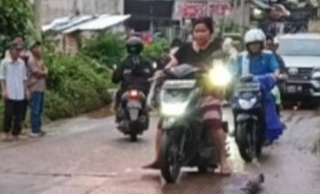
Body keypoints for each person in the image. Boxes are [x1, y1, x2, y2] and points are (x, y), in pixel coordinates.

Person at [144, 17, 231, 175]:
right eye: (196, 31)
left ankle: (223, 160)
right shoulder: (184, 49)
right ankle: (159, 158)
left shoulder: (216, 49)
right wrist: (162, 71)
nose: (199, 34)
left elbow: (222, 65)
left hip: (207, 93)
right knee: (163, 121)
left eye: (203, 30)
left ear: (210, 32)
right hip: (184, 94)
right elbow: (172, 64)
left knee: (212, 119)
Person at [234, 28, 283, 143]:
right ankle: (236, 126)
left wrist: (276, 75)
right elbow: (233, 71)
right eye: (252, 44)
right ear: (247, 45)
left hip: (263, 88)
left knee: (272, 97)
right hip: (243, 88)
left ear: (262, 44)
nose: (254, 47)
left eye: (257, 44)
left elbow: (275, 68)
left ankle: (269, 127)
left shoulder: (268, 55)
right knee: (234, 102)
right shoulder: (242, 57)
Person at [111, 37, 153, 119]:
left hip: (127, 89)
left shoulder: (123, 62)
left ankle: (117, 114)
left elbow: (115, 79)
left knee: (117, 96)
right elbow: (153, 75)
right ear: (141, 48)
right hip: (144, 90)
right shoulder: (146, 62)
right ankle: (148, 108)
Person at [0, 41, 29, 140]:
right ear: (11, 50)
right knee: (8, 113)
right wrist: (3, 90)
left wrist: (26, 90)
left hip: (19, 91)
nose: (18, 52)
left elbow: (24, 78)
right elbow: (2, 78)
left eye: (20, 50)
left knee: (19, 114)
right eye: (17, 50)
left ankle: (16, 132)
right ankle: (5, 132)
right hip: (10, 91)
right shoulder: (4, 63)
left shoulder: (21, 63)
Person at [27, 41, 48, 137]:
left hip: (41, 87)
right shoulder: (31, 60)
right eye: (37, 47)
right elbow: (37, 73)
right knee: (35, 109)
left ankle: (38, 128)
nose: (39, 49)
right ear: (32, 49)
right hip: (34, 87)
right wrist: (44, 72)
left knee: (39, 109)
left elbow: (45, 70)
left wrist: (44, 72)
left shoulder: (39, 60)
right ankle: (34, 129)